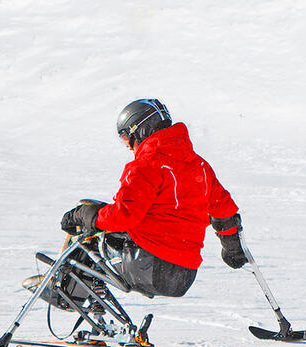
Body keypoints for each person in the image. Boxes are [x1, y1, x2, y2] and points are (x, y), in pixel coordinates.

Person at [58, 98, 248, 299]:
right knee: (99, 220)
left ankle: (62, 291)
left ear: (140, 131)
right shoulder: (199, 166)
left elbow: (123, 216)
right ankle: (93, 302)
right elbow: (223, 210)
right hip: (184, 275)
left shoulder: (146, 165)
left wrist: (82, 215)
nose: (129, 147)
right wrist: (232, 248)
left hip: (149, 267)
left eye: (125, 138)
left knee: (88, 223)